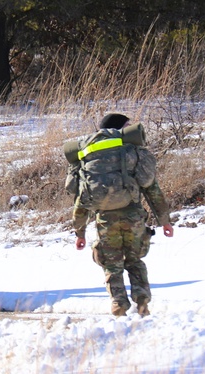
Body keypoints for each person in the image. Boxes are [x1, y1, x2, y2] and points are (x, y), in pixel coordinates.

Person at [68, 113, 174, 316]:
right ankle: (142, 303)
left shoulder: (88, 155)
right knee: (134, 260)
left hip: (105, 219)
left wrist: (79, 232)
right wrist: (164, 221)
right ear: (118, 128)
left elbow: (81, 198)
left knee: (111, 264)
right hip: (133, 215)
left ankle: (118, 304)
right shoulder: (132, 150)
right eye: (127, 125)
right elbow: (150, 187)